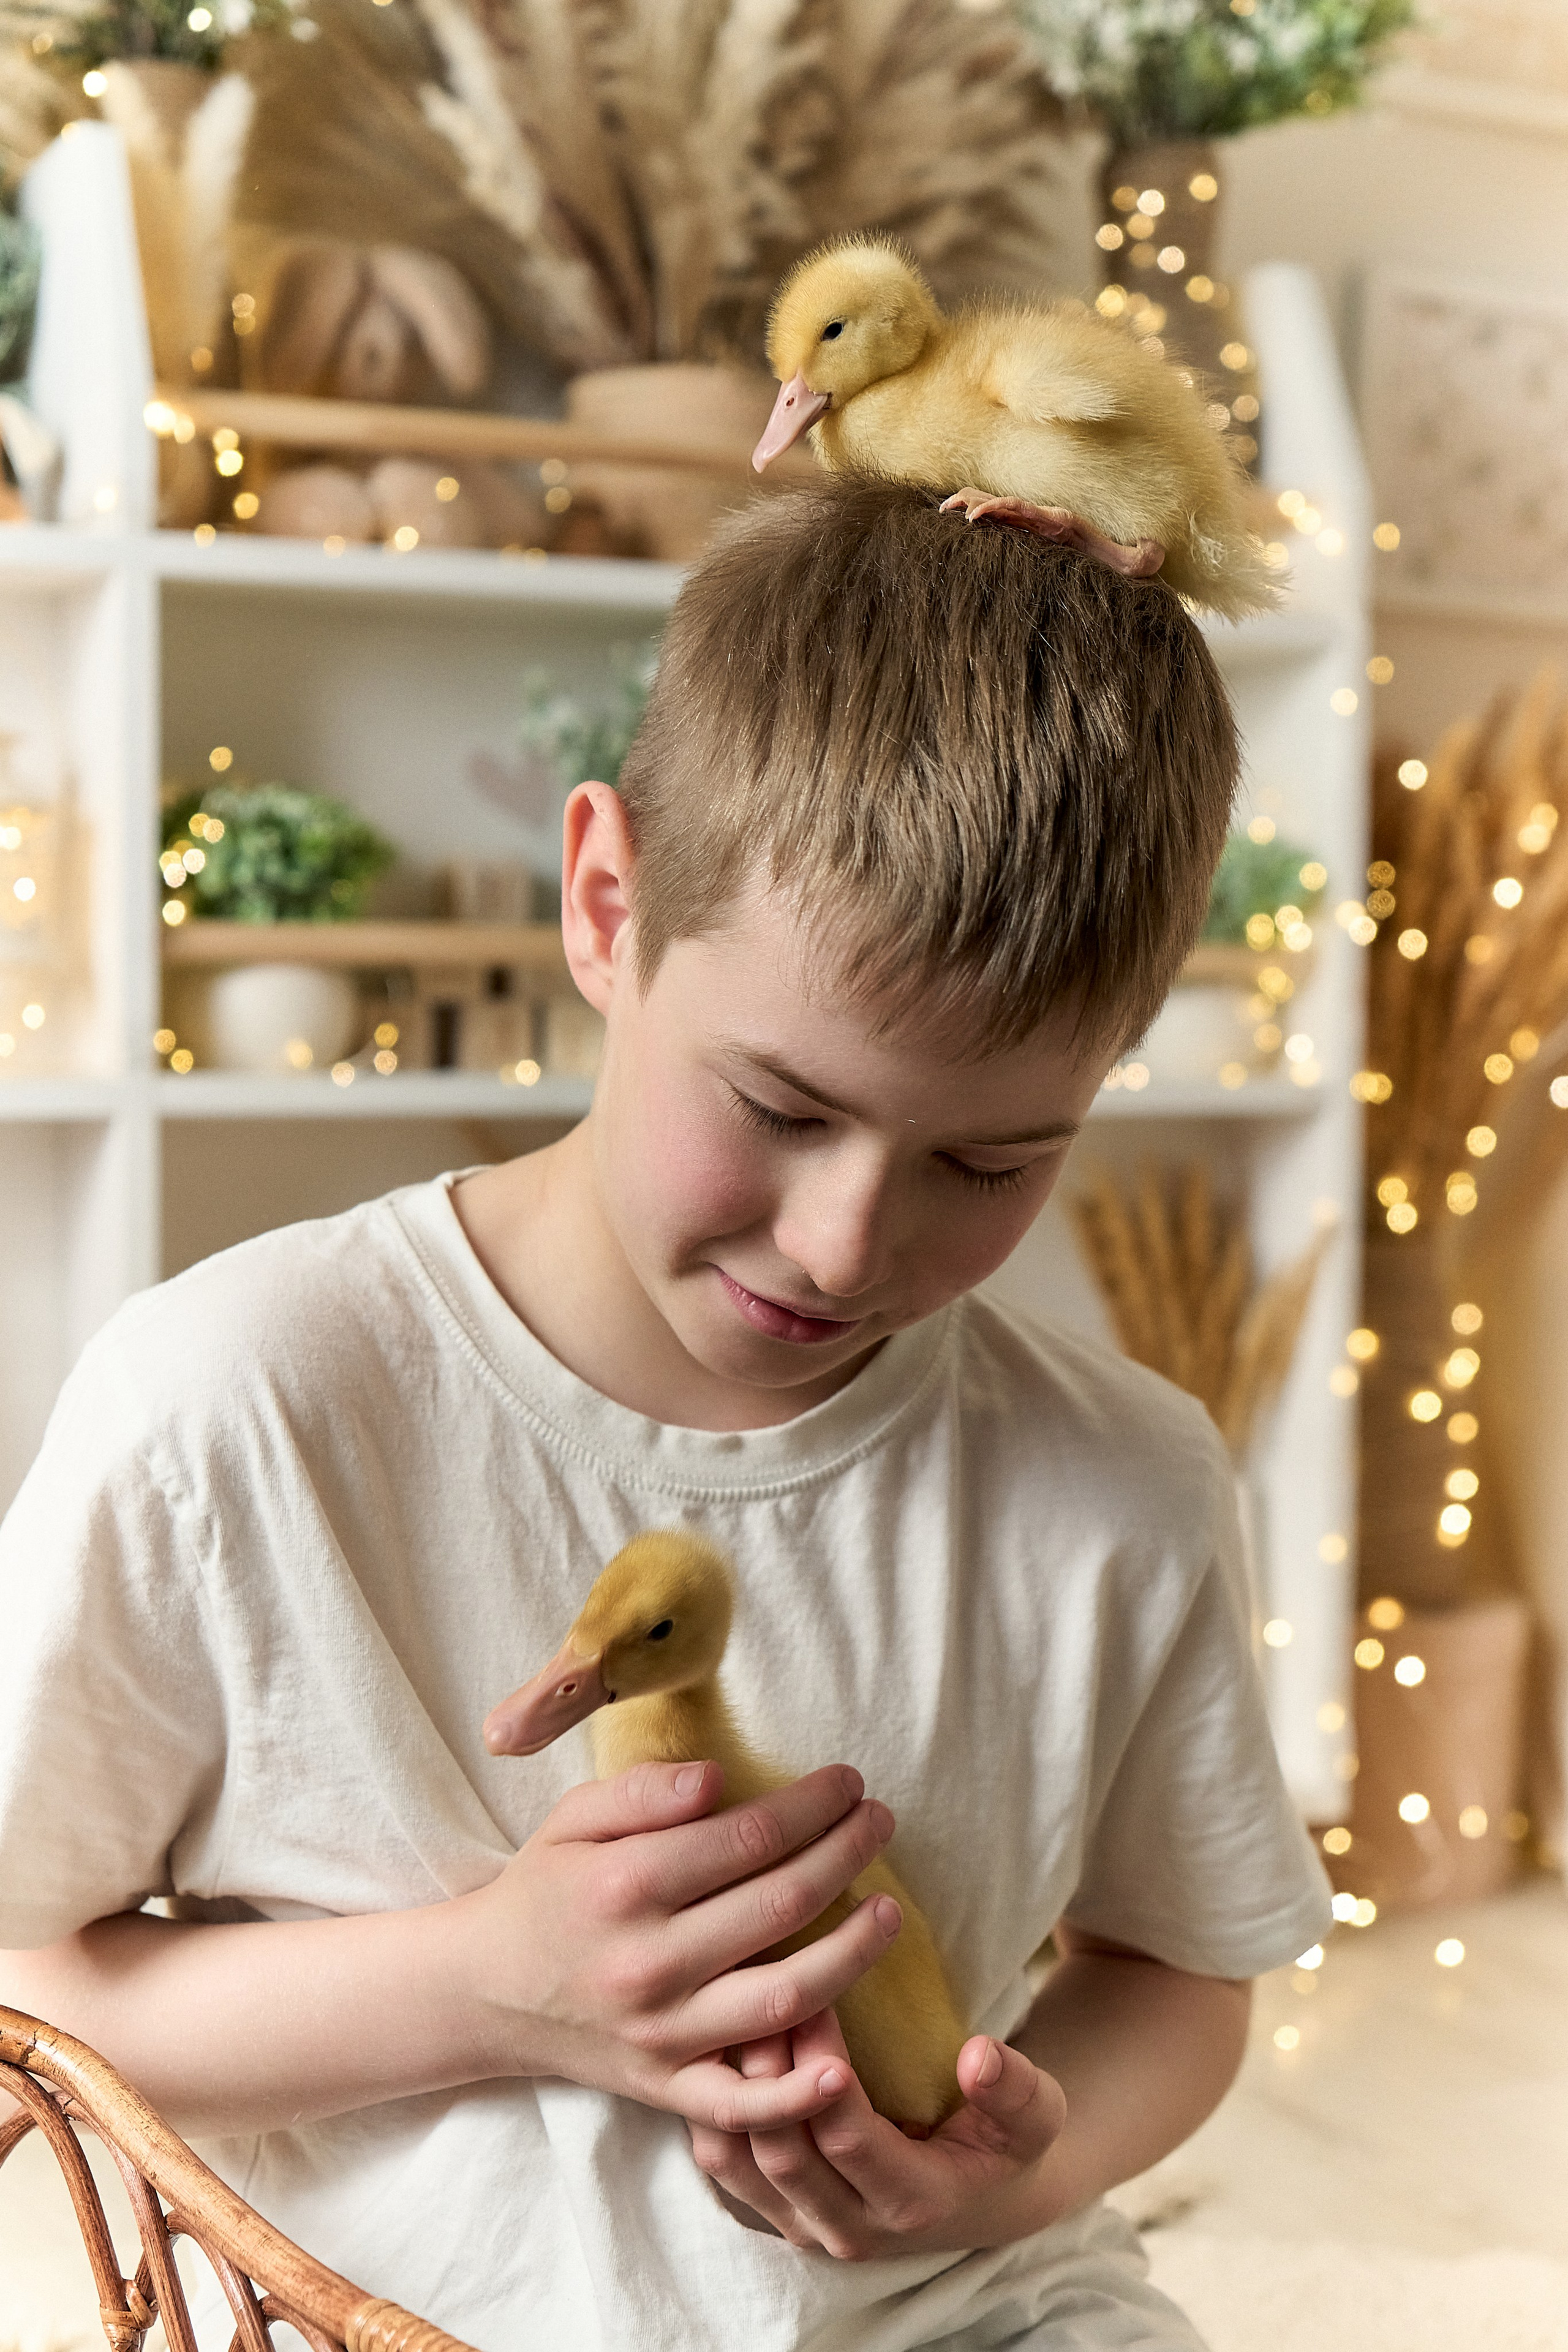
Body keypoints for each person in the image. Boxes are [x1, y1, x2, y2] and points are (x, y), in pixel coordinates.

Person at [0, 480, 1331, 2351]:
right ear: (608, 905)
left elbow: (1175, 1978)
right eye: (783, 1109)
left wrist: (1018, 2172)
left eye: (994, 1158)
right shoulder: (232, 1408)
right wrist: (486, 1985)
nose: (851, 1238)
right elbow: (24, 1980)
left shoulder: (1124, 1485)